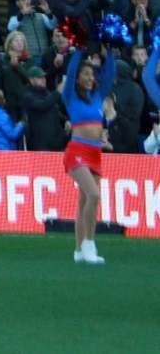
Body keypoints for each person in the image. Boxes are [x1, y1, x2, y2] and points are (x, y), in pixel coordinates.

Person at [64, 45, 114, 264]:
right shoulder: (70, 96)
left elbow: (110, 75)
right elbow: (71, 73)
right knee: (94, 195)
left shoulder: (98, 97)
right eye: (85, 74)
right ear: (78, 78)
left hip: (95, 152)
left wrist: (109, 52)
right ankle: (89, 245)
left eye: (92, 74)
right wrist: (79, 52)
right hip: (77, 151)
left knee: (84, 201)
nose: (89, 78)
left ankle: (78, 251)